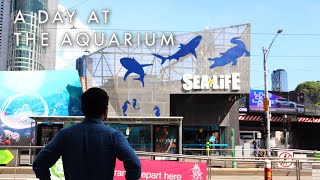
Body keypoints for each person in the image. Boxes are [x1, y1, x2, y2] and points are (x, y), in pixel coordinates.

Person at [33, 87, 141, 180]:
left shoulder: (65, 134)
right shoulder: (114, 136)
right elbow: (135, 165)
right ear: (106, 110)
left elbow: (39, 163)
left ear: (83, 109)